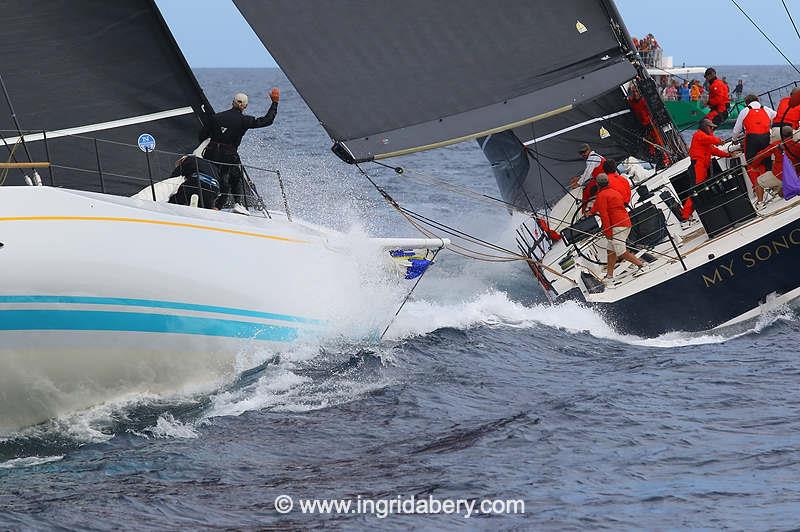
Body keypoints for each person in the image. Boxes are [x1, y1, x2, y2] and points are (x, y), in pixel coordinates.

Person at [201, 88, 280, 208]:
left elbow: (202, 135)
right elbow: (267, 121)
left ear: (232, 102)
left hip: (211, 154)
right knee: (234, 178)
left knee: (211, 176)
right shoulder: (245, 120)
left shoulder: (216, 117)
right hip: (228, 156)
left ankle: (204, 200)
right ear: (245, 106)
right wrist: (275, 102)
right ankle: (235, 204)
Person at [588, 173, 644, 280]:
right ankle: (609, 276)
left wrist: (608, 232)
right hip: (625, 223)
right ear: (608, 182)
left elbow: (604, 216)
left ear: (597, 185)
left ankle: (641, 265)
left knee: (621, 251)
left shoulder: (602, 196)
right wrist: (592, 211)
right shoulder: (614, 192)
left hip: (617, 226)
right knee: (611, 251)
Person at [681, 118, 733, 220]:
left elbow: (714, 150)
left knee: (698, 190)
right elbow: (710, 140)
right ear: (705, 127)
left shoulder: (705, 140)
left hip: (702, 168)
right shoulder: (699, 135)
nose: (712, 130)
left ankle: (687, 214)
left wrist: (728, 155)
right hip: (697, 167)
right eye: (711, 127)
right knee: (696, 191)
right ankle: (685, 215)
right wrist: (719, 141)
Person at [731, 94, 776, 186]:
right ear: (758, 100)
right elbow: (777, 116)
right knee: (767, 160)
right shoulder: (767, 109)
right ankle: (771, 184)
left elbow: (737, 129)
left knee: (751, 163)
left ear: (747, 103)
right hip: (766, 138)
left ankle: (759, 185)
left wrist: (734, 139)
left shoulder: (745, 111)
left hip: (752, 139)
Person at [749, 125, 800, 203]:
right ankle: (782, 189)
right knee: (780, 193)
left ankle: (760, 203)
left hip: (779, 175)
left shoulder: (776, 145)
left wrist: (753, 165)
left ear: (781, 135)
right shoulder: (797, 145)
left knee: (758, 181)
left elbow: (761, 155)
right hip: (794, 177)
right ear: (792, 134)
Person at [569, 143, 605, 212]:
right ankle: (589, 209)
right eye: (581, 153)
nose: (583, 154)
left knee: (586, 191)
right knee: (587, 189)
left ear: (589, 150)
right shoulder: (596, 156)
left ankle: (587, 212)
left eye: (585, 152)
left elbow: (588, 173)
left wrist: (578, 183)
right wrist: (579, 177)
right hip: (601, 179)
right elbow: (590, 173)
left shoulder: (591, 159)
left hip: (603, 181)